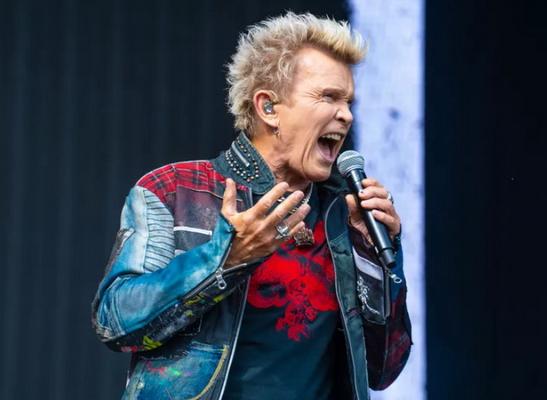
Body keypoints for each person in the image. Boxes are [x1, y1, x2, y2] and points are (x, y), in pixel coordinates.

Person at [92, 12, 411, 400]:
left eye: (348, 101)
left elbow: (382, 370)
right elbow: (115, 321)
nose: (345, 114)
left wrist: (372, 256)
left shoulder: (345, 214)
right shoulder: (174, 190)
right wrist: (226, 260)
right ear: (268, 107)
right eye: (328, 97)